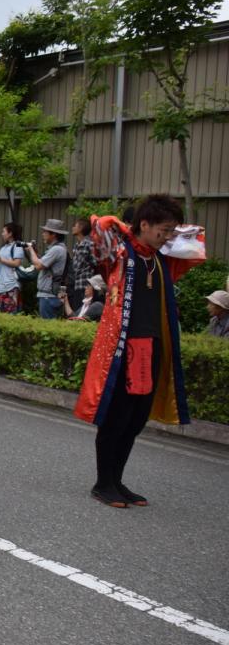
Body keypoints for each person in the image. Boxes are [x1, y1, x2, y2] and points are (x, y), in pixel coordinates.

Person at [75, 196, 205, 508]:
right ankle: (103, 482)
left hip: (152, 348)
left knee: (136, 419)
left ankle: (117, 480)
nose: (169, 235)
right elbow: (99, 226)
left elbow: (197, 243)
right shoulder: (121, 254)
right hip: (122, 351)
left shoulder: (164, 260)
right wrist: (129, 230)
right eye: (163, 229)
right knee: (116, 417)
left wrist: (170, 235)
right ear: (143, 225)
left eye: (172, 230)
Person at [25, 219, 69, 319]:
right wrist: (34, 253)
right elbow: (42, 264)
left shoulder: (56, 249)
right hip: (50, 295)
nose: (43, 234)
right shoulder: (58, 248)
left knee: (48, 324)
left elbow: (39, 266)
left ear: (53, 234)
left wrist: (31, 250)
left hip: (49, 296)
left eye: (45, 231)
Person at [0, 222, 26, 313]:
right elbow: (3, 262)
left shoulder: (17, 246)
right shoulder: (4, 247)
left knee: (7, 314)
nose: (2, 234)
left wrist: (1, 259)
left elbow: (17, 263)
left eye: (3, 231)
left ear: (10, 233)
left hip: (10, 285)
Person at [68, 218, 96, 302]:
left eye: (75, 226)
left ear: (81, 228)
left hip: (86, 285)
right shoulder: (77, 245)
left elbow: (96, 263)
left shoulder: (89, 244)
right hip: (77, 284)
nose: (72, 227)